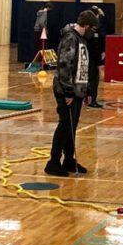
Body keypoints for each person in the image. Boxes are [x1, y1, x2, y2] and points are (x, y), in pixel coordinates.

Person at [46, 10, 99, 177]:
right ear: (87, 26)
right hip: (66, 91)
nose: (93, 33)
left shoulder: (81, 39)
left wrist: (87, 90)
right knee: (64, 126)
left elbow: (83, 66)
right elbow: (64, 66)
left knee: (72, 126)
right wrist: (68, 91)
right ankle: (53, 162)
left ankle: (69, 160)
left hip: (78, 91)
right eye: (93, 29)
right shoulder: (70, 38)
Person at [86, 6, 106, 108]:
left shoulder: (88, 30)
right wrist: (99, 62)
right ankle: (91, 100)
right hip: (91, 60)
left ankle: (88, 99)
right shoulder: (92, 32)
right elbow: (94, 48)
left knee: (89, 79)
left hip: (88, 59)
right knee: (93, 80)